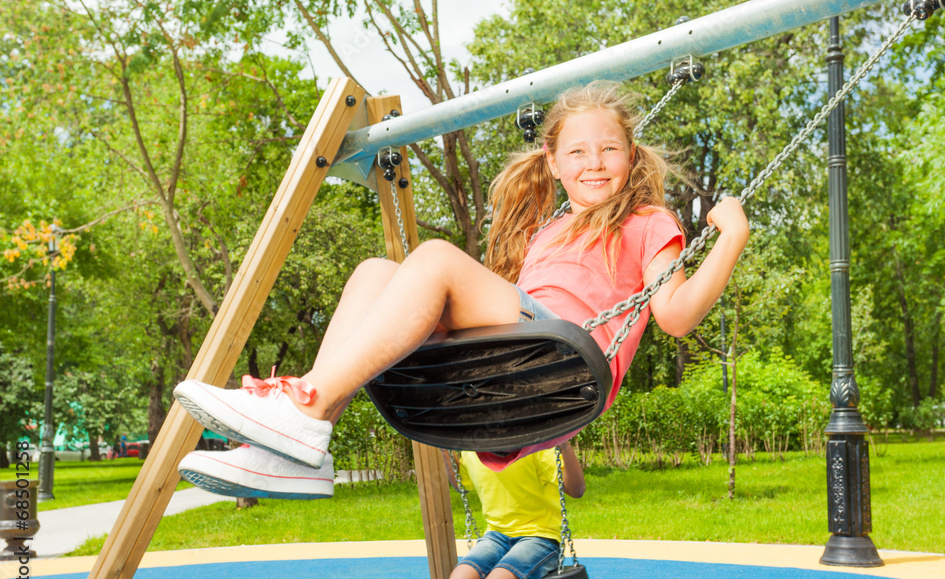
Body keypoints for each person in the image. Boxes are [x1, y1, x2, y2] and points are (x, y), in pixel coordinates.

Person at [173, 81, 749, 497]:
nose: (594, 163)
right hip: (514, 358)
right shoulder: (547, 230)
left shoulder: (648, 221)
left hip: (565, 358)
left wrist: (731, 238)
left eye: (609, 149)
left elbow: (673, 316)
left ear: (631, 154)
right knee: (376, 271)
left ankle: (301, 408)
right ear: (551, 160)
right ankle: (302, 448)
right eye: (577, 151)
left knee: (436, 260)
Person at [445, 442, 584, 579]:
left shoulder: (536, 446)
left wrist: (564, 446)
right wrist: (443, 448)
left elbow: (576, 490)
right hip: (496, 536)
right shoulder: (472, 448)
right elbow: (461, 484)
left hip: (539, 535)